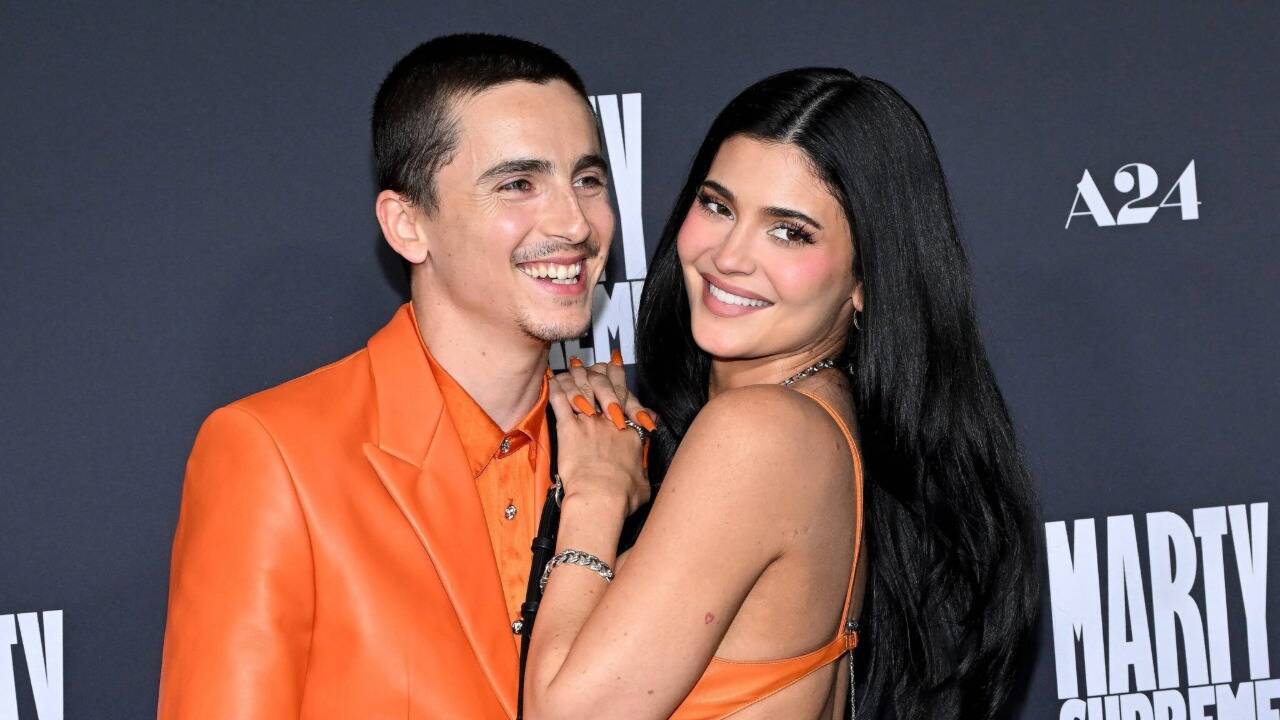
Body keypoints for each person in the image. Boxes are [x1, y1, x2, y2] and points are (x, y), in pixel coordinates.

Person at [521, 68, 1041, 719]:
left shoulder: (761, 433)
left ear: (866, 279)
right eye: (718, 206)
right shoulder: (823, 416)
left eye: (789, 231)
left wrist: (597, 491)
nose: (730, 256)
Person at [157, 34, 625, 719]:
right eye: (518, 184)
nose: (575, 222)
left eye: (587, 179)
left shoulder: (624, 451)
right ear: (408, 226)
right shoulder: (274, 455)